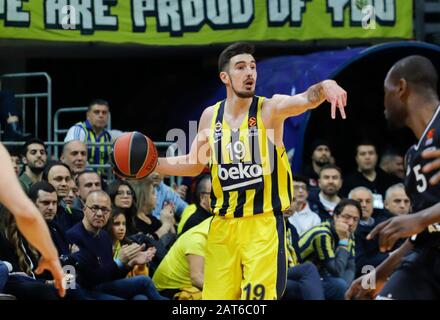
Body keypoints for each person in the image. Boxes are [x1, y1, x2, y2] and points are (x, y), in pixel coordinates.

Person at [154, 42, 347, 299]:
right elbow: (194, 163)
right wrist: (153, 165)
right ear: (225, 76)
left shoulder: (271, 108)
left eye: (253, 67)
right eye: (241, 67)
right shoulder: (211, 116)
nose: (250, 73)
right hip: (223, 226)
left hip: (262, 225)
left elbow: (306, 99)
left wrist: (326, 86)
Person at [346, 55, 440, 300]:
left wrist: (419, 218)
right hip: (427, 260)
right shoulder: (413, 156)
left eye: (385, 92)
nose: (383, 103)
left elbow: (421, 222)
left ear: (401, 88)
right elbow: (423, 234)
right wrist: (375, 275)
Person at [0, 143, 65, 297]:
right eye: (45, 203)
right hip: (25, 281)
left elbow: (70, 266)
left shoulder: (55, 229)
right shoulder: (9, 233)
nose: (50, 207)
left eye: (54, 203)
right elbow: (22, 273)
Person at [299, 199, 360, 300]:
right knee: (338, 286)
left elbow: (350, 267)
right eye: (347, 217)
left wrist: (347, 288)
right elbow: (336, 270)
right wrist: (343, 240)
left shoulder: (349, 234)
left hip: (320, 277)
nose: (350, 223)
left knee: (353, 287)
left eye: (355, 219)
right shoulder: (322, 234)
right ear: (335, 216)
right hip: (299, 277)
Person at [341, 141, 400, 209]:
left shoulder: (389, 180)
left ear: (377, 156)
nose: (367, 157)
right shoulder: (348, 182)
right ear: (356, 158)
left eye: (371, 153)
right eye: (363, 154)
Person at [64, 99, 112, 175]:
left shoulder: (107, 135)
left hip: (100, 180)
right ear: (88, 115)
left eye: (104, 113)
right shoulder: (78, 130)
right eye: (96, 112)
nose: (101, 115)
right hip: (79, 177)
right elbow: (72, 159)